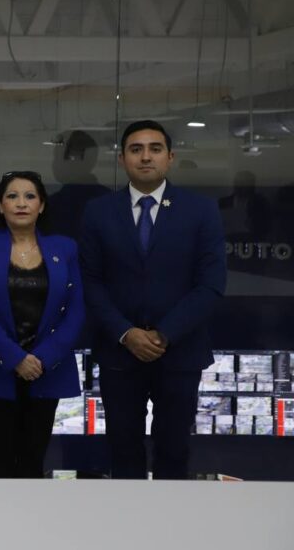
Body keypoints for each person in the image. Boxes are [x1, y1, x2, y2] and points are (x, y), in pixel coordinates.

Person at [80, 120, 226, 479]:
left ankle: (170, 517)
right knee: (122, 451)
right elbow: (90, 282)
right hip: (119, 352)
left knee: (174, 451)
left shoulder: (201, 210)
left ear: (170, 157)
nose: (146, 157)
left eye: (155, 149)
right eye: (136, 149)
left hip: (179, 351)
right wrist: (126, 333)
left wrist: (164, 334)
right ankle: (126, 516)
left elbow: (210, 284)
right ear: (122, 159)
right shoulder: (98, 211)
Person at [0, 171, 84, 478]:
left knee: (33, 456)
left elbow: (76, 310)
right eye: (12, 196)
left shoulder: (64, 248)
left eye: (30, 196)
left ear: (42, 205)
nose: (21, 203)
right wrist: (15, 358)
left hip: (46, 368)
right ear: (1, 206)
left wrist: (41, 358)